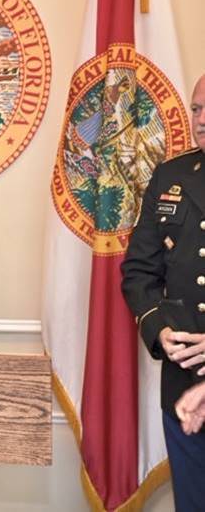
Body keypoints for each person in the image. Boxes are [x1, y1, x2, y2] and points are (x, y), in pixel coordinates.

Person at [121, 72, 205, 511]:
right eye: (196, 108)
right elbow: (138, 269)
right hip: (183, 378)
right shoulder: (172, 175)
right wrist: (158, 328)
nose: (201, 119)